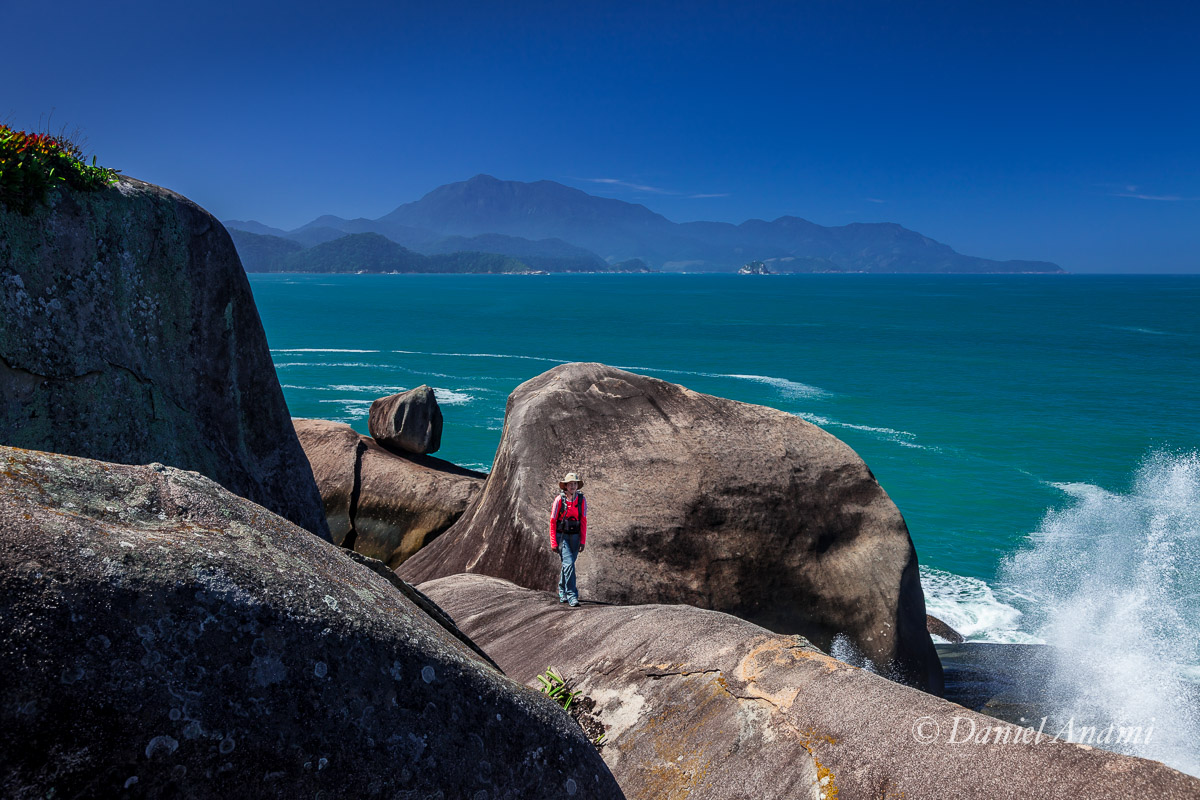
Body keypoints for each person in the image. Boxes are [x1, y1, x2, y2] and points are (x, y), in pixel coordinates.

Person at [549, 472, 586, 607]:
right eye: (570, 484)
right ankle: (572, 595)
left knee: (567, 565)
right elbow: (553, 522)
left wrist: (582, 541)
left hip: (575, 536)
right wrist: (553, 542)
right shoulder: (559, 500)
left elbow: (583, 520)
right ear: (565, 486)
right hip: (562, 536)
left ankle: (562, 589)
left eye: (575, 484)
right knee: (569, 564)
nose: (573, 486)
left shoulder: (581, 500)